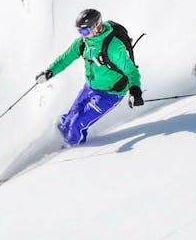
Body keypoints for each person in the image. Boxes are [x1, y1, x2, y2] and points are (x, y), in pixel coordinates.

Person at [35, 9, 143, 148]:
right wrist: (50, 72)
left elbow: (131, 71)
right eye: (79, 31)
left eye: (84, 31)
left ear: (97, 27)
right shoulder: (83, 43)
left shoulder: (114, 48)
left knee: (76, 125)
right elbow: (65, 59)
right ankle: (58, 144)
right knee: (66, 122)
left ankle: (68, 152)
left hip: (110, 94)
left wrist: (135, 90)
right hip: (90, 87)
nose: (82, 35)